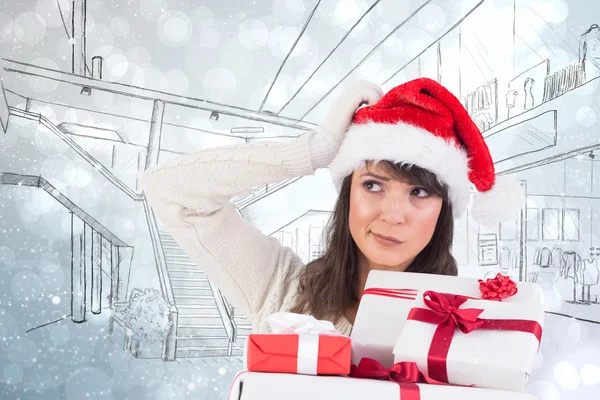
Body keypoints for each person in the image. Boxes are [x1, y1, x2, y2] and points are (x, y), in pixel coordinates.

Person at [142, 78, 524, 336]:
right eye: (373, 185)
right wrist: (315, 149)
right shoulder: (283, 290)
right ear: (348, 196)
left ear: (443, 211)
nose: (392, 214)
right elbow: (170, 190)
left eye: (420, 193)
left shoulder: (462, 323)